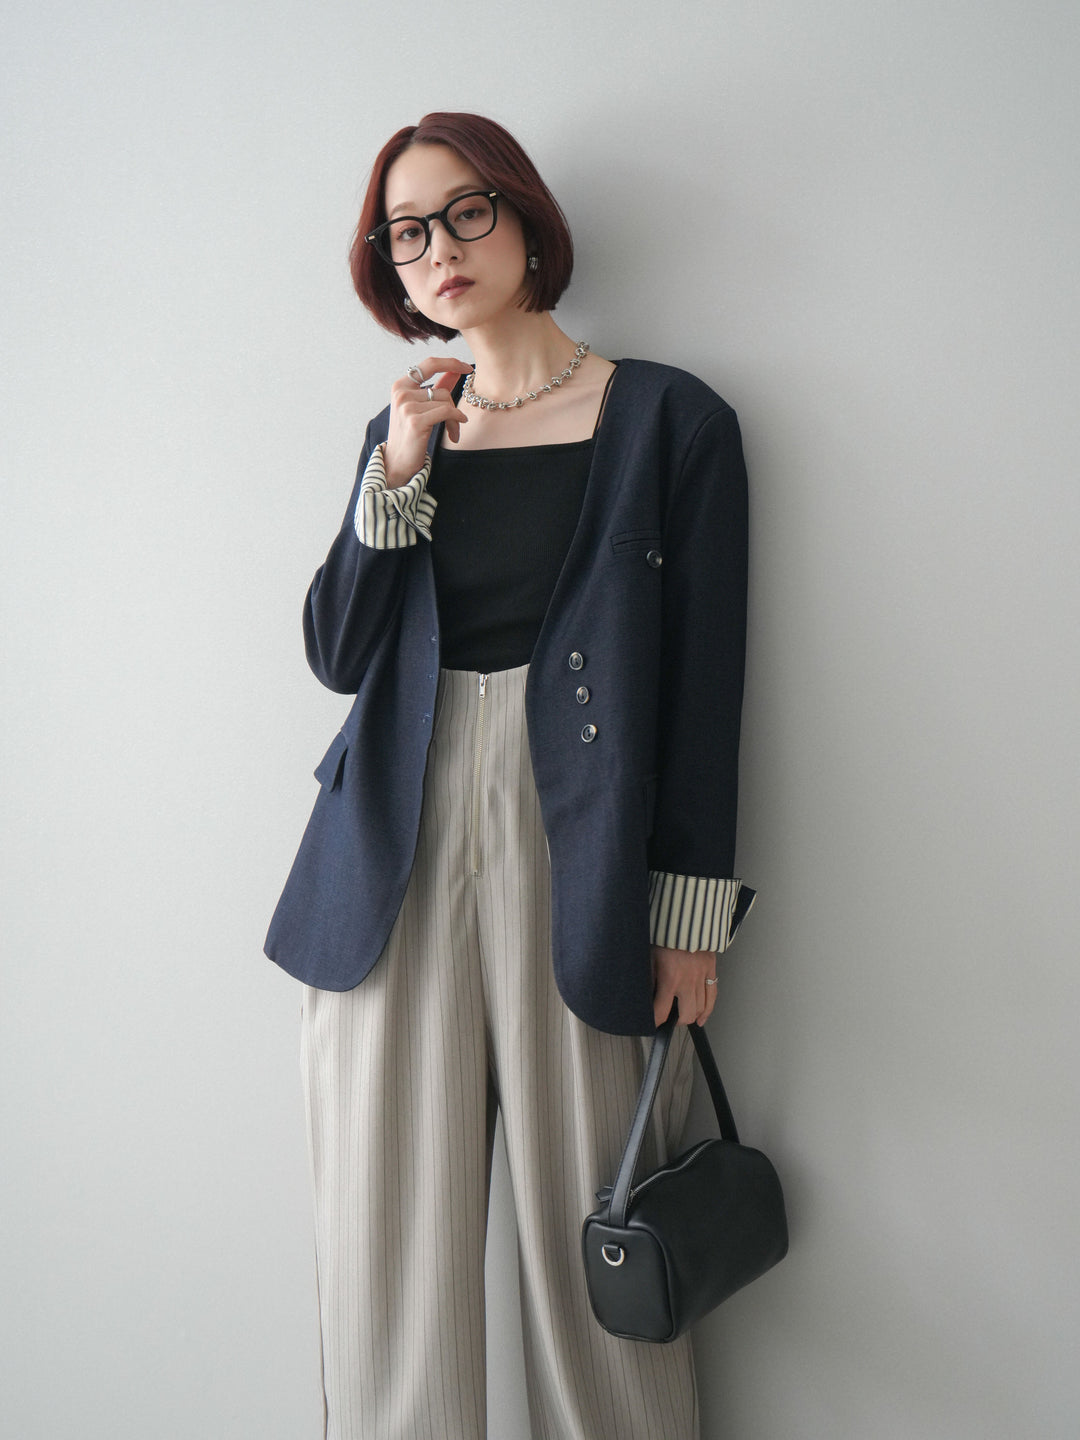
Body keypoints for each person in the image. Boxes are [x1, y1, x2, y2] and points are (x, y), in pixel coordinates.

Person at [265, 111, 756, 1440]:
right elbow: (338, 653)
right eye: (406, 233)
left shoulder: (670, 420)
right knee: (385, 1257)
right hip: (390, 847)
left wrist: (689, 916)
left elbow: (706, 686)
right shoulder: (408, 433)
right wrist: (399, 469)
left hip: (580, 847)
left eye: (465, 212)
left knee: (597, 1243)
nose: (438, 249)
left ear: (527, 220)